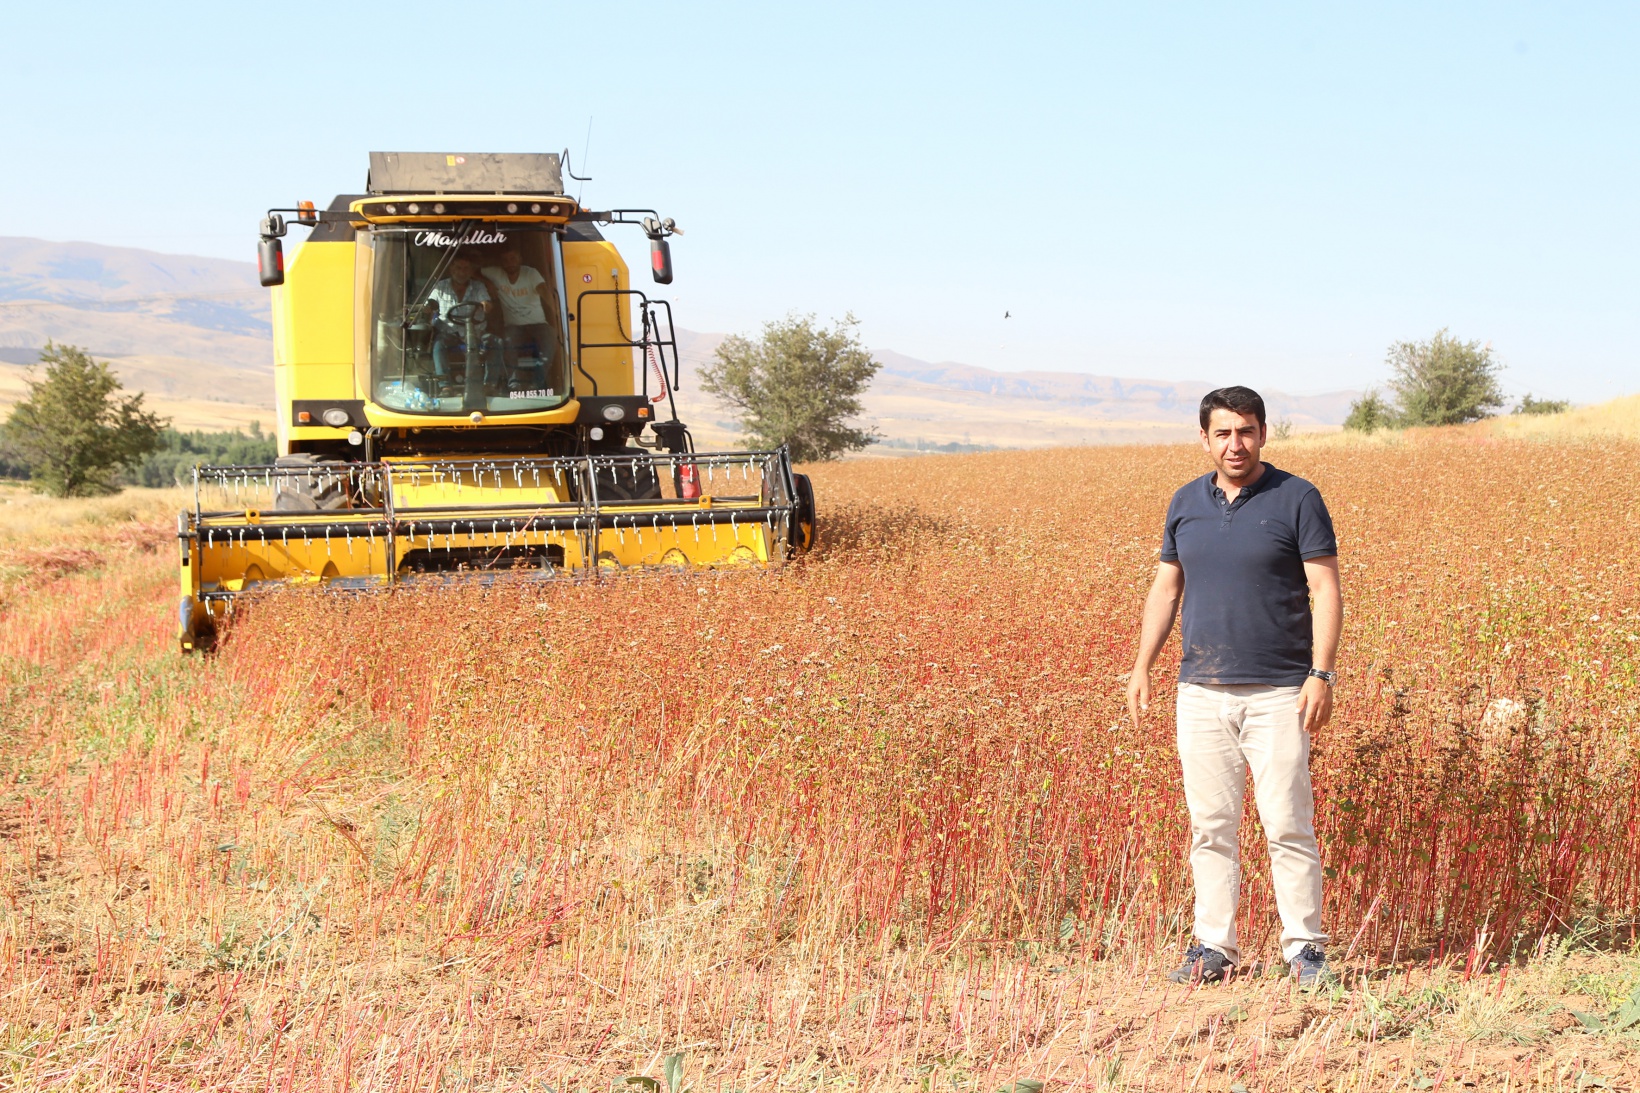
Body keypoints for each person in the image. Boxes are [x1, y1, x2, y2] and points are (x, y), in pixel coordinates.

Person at [1126, 385, 1343, 990]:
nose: (1235, 444)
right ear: (1204, 438)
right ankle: (1213, 948)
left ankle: (1305, 950)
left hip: (1279, 692)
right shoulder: (1184, 503)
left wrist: (1320, 673)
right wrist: (1143, 665)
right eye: (1222, 432)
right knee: (1210, 827)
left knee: (1287, 824)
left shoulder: (1297, 498)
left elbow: (1325, 590)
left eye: (1245, 430)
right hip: (1200, 691)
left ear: (1263, 433)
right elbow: (1166, 590)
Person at [479, 247, 562, 393]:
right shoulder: (495, 273)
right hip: (513, 326)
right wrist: (488, 282)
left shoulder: (530, 273)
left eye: (513, 259)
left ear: (520, 259)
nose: (509, 263)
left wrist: (557, 313)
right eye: (505, 260)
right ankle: (514, 383)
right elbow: (472, 271)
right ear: (501, 263)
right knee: (508, 342)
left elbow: (543, 290)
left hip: (538, 324)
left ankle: (536, 384)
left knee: (550, 336)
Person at [425, 257, 503, 392]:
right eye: (458, 268)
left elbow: (487, 302)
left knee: (495, 342)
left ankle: (489, 385)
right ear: (451, 270)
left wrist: (486, 305)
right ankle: (445, 386)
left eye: (466, 268)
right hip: (450, 334)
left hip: (475, 332)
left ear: (471, 271)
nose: (462, 272)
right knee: (438, 344)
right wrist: (427, 308)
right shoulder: (440, 286)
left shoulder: (478, 286)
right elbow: (429, 305)